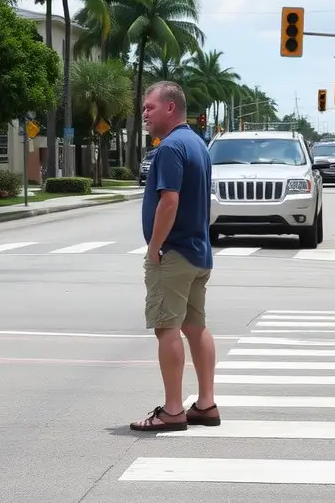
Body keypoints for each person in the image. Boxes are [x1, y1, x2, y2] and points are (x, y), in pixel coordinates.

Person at [129, 81, 219, 433]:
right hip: (198, 252)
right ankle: (206, 404)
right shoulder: (198, 144)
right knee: (195, 327)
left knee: (167, 329)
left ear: (170, 107)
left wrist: (154, 248)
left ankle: (171, 410)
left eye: (149, 107)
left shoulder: (169, 149)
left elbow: (169, 201)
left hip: (174, 254)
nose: (145, 114)